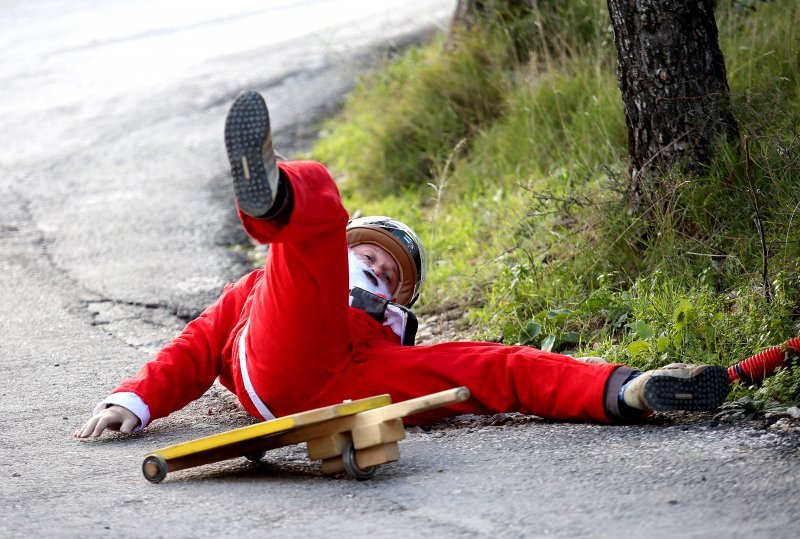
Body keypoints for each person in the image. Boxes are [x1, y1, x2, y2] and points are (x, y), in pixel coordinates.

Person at [75, 91, 731, 439]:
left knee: (492, 365)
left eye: (392, 275)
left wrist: (620, 389)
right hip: (286, 353)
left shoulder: (387, 328)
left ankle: (628, 389)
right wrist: (134, 401)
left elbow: (488, 375)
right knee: (322, 203)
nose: (380, 272)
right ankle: (273, 197)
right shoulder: (262, 286)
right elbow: (193, 349)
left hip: (360, 376)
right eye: (370, 257)